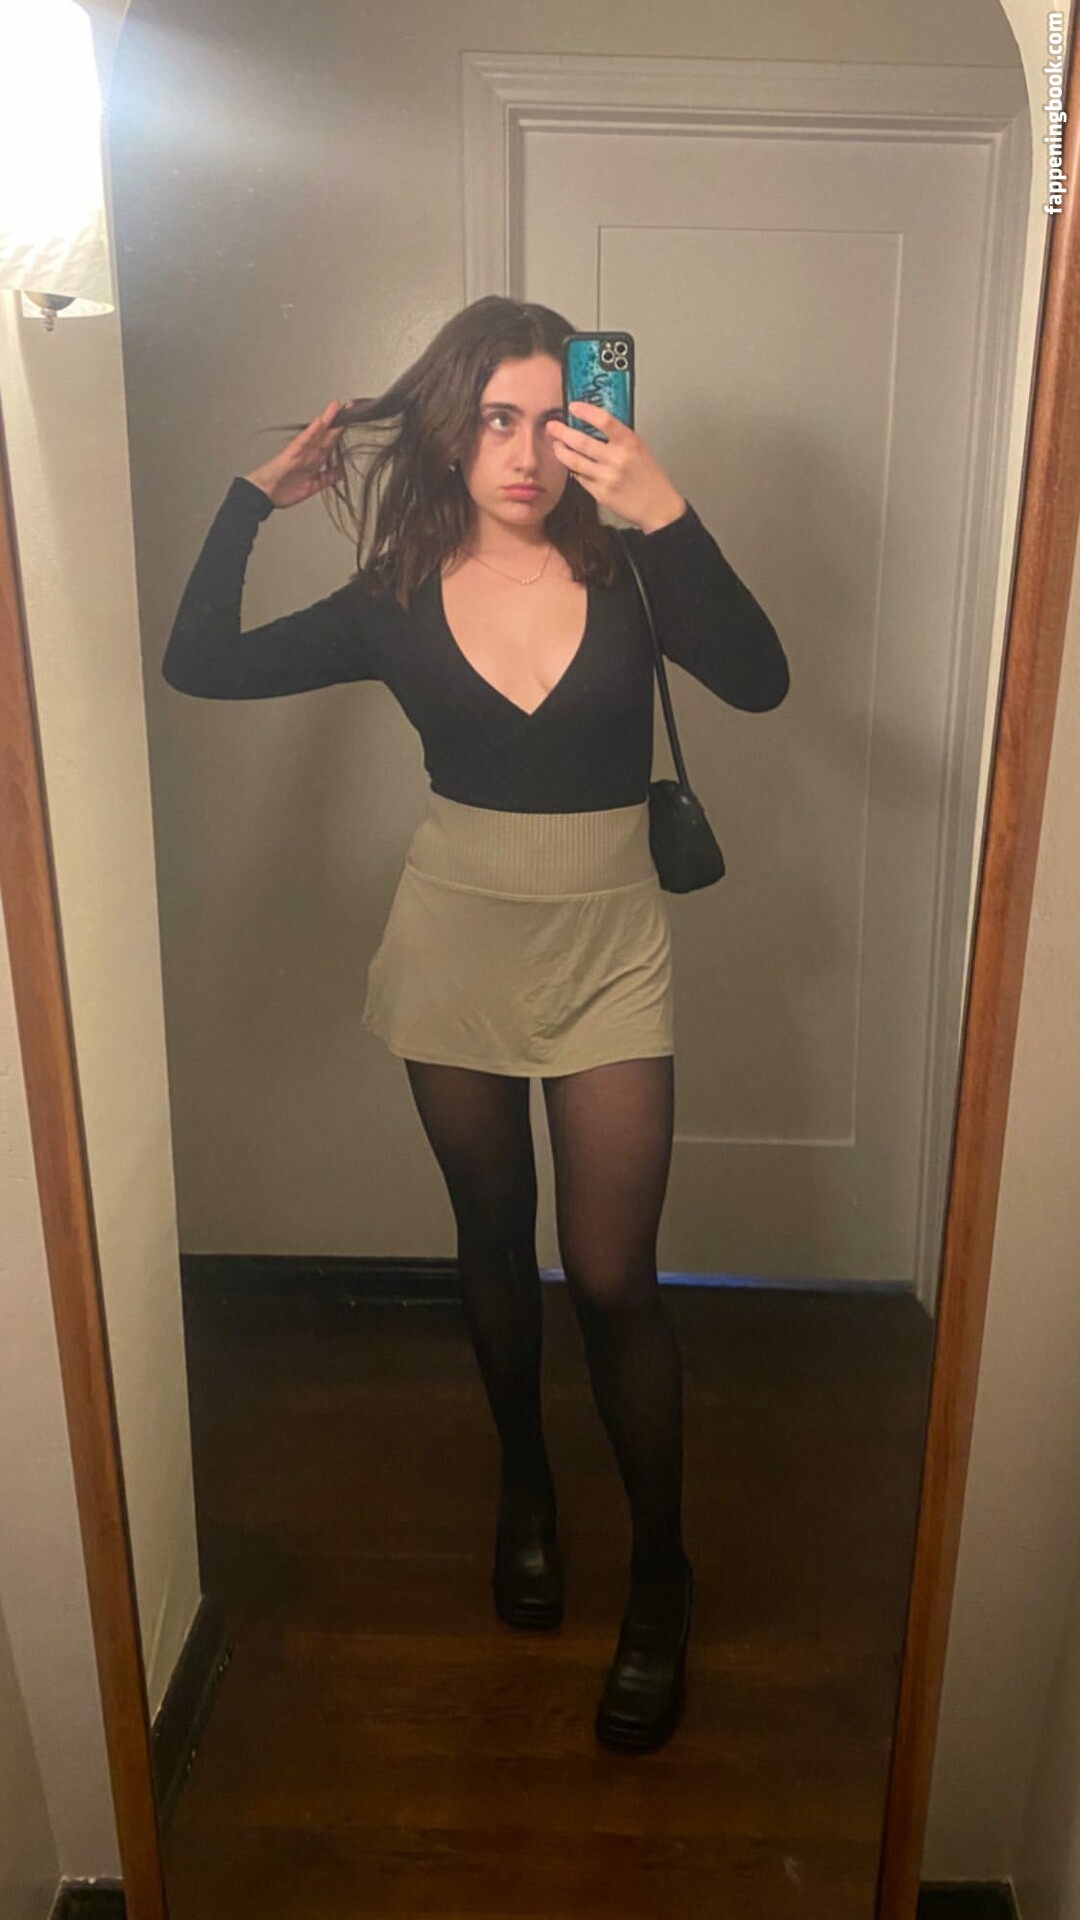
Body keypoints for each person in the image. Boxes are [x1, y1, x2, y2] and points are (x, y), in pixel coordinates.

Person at [162, 294, 789, 1754]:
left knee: (615, 1275)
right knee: (494, 1238)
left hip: (609, 946)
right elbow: (203, 660)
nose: (521, 452)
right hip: (453, 941)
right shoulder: (391, 596)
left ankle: (663, 1574)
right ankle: (525, 1485)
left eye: (550, 420)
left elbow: (761, 682)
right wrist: (249, 503)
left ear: (588, 427)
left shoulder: (634, 567)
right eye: (494, 419)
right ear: (452, 431)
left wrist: (664, 506)